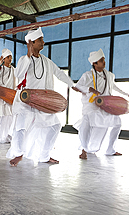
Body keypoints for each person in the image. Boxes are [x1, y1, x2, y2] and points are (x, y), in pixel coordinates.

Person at [6, 27, 79, 166]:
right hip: (25, 101)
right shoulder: (24, 59)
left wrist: (72, 85)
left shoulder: (47, 61)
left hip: (43, 102)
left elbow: (59, 73)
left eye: (42, 39)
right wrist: (28, 54)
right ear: (31, 43)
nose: (43, 42)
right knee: (21, 127)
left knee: (55, 126)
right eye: (40, 40)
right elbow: (18, 73)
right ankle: (18, 154)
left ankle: (44, 156)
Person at [74, 49, 129, 159]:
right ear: (94, 63)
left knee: (117, 123)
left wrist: (127, 94)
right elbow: (76, 87)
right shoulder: (87, 75)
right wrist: (89, 89)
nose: (104, 62)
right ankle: (84, 149)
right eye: (101, 60)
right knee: (87, 123)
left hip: (106, 105)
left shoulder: (109, 75)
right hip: (91, 105)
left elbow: (114, 87)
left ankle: (110, 150)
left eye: (104, 60)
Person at [0, 48, 16, 144]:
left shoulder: (13, 69)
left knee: (8, 116)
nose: (10, 59)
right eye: (8, 57)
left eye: (11, 57)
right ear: (3, 59)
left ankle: (3, 136)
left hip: (9, 96)